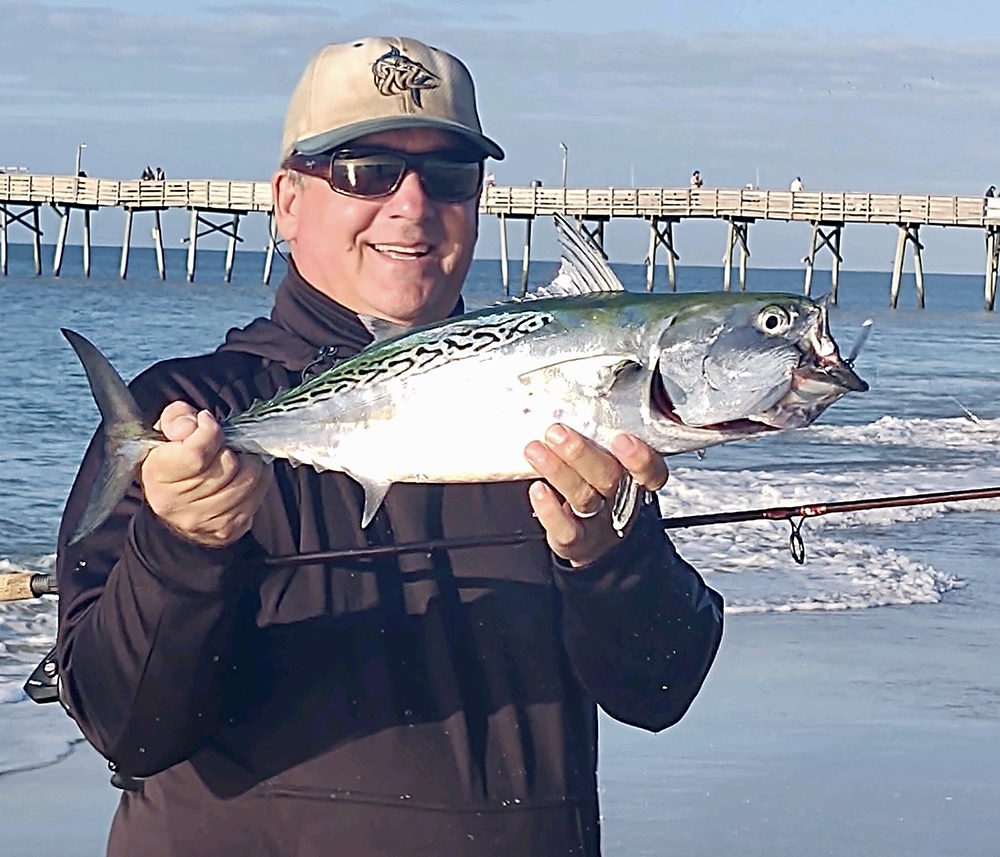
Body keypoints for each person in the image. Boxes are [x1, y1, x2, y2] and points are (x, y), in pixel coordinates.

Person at [55, 35, 723, 857]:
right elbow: (129, 725)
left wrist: (609, 553)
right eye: (365, 171)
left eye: (448, 177)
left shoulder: (562, 414)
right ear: (289, 200)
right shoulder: (185, 416)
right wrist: (185, 547)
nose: (411, 206)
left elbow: (659, 687)